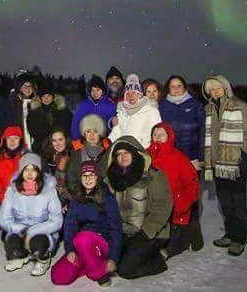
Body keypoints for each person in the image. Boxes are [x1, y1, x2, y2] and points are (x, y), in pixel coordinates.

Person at [202, 73, 247, 257]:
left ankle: (239, 238)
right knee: (225, 202)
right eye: (211, 89)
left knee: (238, 203)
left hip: (236, 163)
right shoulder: (209, 109)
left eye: (218, 87)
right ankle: (230, 233)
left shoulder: (239, 106)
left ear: (225, 87)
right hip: (218, 164)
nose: (215, 91)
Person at [105, 136, 172, 280]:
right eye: (118, 154)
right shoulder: (112, 178)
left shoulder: (153, 175)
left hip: (150, 233)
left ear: (135, 153)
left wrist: (146, 233)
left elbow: (162, 208)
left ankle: (160, 258)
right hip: (124, 231)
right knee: (108, 261)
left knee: (125, 270)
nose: (122, 157)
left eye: (126, 152)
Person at [50, 161, 123, 287]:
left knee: (82, 238)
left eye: (91, 175)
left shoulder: (107, 198)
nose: (88, 178)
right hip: (82, 245)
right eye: (84, 175)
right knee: (58, 276)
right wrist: (70, 250)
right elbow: (70, 226)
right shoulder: (76, 198)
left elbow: (115, 229)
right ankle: (91, 265)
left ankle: (98, 272)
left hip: (102, 243)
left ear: (97, 177)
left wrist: (113, 258)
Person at [0, 153, 63, 277]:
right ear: (21, 171)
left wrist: (33, 231)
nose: (29, 173)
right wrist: (21, 230)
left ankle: (43, 259)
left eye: (33, 169)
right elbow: (4, 218)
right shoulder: (13, 190)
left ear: (38, 172)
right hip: (20, 229)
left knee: (38, 245)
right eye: (26, 169)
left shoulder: (48, 190)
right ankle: (21, 256)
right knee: (12, 244)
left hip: (43, 231)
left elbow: (57, 221)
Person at [147, 123, 202, 257]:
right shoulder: (147, 156)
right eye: (155, 134)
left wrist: (183, 203)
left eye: (161, 134)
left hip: (176, 205)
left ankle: (186, 239)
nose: (157, 137)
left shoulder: (179, 158)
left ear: (169, 136)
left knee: (174, 239)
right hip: (155, 205)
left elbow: (192, 184)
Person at [159, 75, 204, 170]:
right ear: (168, 89)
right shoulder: (162, 106)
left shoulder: (195, 105)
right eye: (173, 86)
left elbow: (202, 131)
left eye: (179, 86)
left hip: (192, 157)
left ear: (184, 87)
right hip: (170, 156)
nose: (176, 89)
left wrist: (202, 156)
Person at [108, 74, 162, 149]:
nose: (131, 96)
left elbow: (155, 133)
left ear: (139, 95)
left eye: (134, 93)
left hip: (143, 150)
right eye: (128, 94)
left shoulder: (151, 110)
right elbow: (116, 132)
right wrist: (109, 144)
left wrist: (141, 147)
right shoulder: (122, 111)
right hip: (124, 150)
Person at [65, 113, 111, 195]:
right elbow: (70, 178)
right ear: (84, 133)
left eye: (95, 131)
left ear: (101, 133)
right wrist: (79, 195)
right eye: (88, 131)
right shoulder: (75, 151)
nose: (92, 135)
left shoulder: (108, 151)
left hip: (103, 196)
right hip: (80, 196)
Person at [69, 75, 115, 140]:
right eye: (92, 90)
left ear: (103, 91)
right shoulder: (83, 105)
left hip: (104, 141)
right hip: (86, 139)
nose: (95, 93)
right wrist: (76, 139)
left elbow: (113, 126)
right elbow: (75, 124)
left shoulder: (110, 106)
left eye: (98, 90)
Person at [0, 125, 25, 204]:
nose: (12, 141)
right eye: (9, 138)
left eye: (16, 138)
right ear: (5, 140)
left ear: (20, 140)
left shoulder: (26, 159)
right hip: (5, 204)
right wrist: (10, 202)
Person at [40, 129, 71, 209]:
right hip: (52, 201)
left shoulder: (73, 156)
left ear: (66, 140)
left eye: (60, 139)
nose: (58, 144)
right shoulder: (46, 159)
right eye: (54, 140)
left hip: (71, 200)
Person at [10, 72, 39, 149]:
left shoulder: (37, 104)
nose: (28, 88)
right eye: (24, 86)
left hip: (34, 145)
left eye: (30, 86)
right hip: (18, 144)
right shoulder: (13, 102)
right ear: (19, 87)